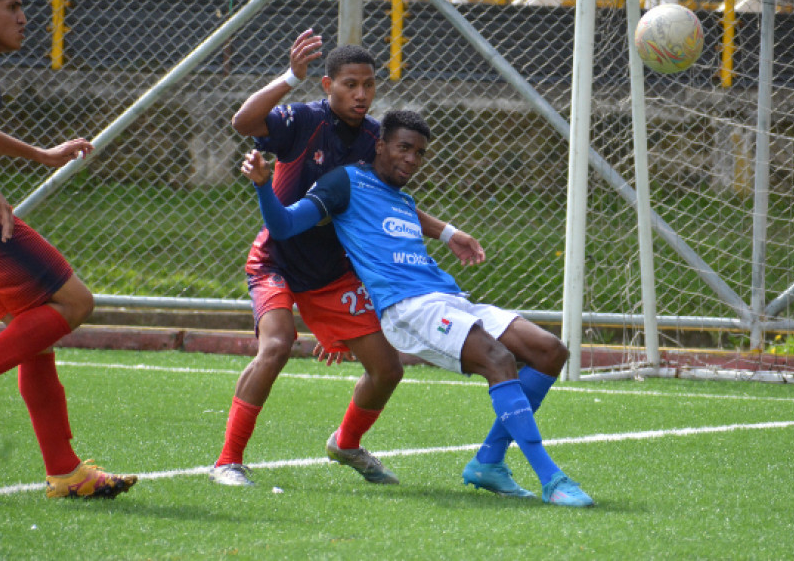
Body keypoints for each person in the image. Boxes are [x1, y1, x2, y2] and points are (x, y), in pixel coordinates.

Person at [241, 110, 595, 507]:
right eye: (403, 148)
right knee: (498, 359)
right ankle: (552, 479)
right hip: (410, 311)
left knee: (550, 350)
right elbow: (286, 225)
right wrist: (262, 187)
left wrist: (449, 233)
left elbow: (411, 222)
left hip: (450, 300)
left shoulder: (403, 201)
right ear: (380, 146)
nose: (411, 159)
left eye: (419, 153)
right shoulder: (345, 182)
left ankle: (489, 463)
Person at [212, 31, 485, 487]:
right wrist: (288, 77)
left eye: (369, 85)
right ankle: (227, 462)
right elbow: (243, 121)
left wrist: (447, 232)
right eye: (350, 85)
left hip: (331, 272)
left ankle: (346, 444)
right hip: (276, 259)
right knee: (277, 345)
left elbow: (386, 204)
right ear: (327, 85)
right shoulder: (302, 120)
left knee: (387, 369)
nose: (361, 94)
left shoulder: (377, 139)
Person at [0, 0, 136, 498]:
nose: (25, 17)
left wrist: (39, 154)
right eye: (12, 7)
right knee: (74, 302)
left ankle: (66, 471)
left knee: (34, 329)